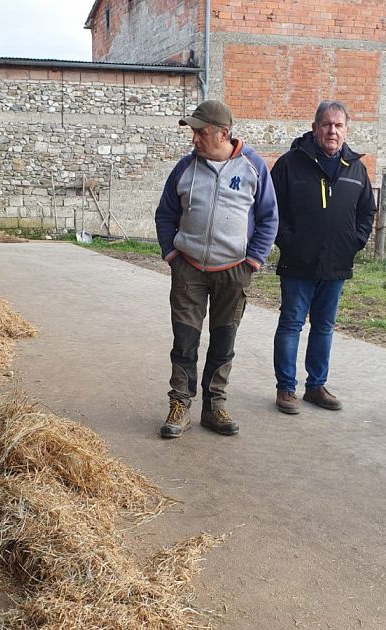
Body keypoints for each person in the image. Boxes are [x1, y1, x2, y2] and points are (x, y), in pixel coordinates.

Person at [154, 99, 278, 438]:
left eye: (200, 132)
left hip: (234, 270)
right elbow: (165, 213)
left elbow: (269, 218)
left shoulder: (253, 167)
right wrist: (172, 255)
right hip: (189, 269)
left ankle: (215, 405)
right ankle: (180, 405)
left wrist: (252, 261)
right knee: (185, 340)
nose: (194, 139)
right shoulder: (184, 169)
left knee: (224, 341)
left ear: (223, 133)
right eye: (193, 132)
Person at [270, 100, 377, 414]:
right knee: (291, 325)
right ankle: (286, 389)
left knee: (324, 327)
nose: (333, 130)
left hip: (336, 264)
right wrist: (290, 243)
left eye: (339, 125)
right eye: (327, 124)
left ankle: (316, 386)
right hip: (297, 262)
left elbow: (367, 211)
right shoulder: (291, 164)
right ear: (315, 128)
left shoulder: (356, 167)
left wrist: (353, 243)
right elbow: (271, 211)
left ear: (346, 130)